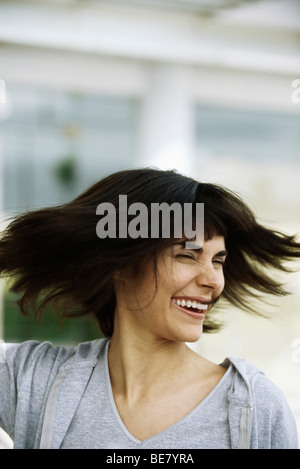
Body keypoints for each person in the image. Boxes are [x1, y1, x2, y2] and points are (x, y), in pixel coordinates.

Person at [0, 167, 299, 449]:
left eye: (218, 261)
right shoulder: (34, 380)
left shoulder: (255, 408)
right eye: (186, 256)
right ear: (123, 264)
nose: (212, 281)